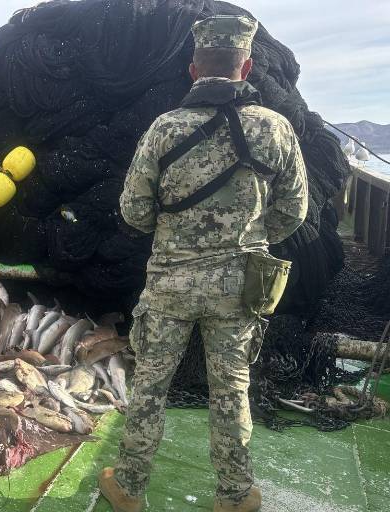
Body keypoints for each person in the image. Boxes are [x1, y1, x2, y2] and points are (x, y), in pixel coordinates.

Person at [99, 15, 308, 512]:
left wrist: (173, 235)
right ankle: (235, 496)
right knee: (232, 390)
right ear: (248, 65)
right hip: (240, 285)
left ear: (194, 70)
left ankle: (128, 487)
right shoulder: (274, 128)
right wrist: (252, 237)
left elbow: (134, 210)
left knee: (150, 384)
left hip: (170, 281)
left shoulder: (164, 129)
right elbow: (295, 209)